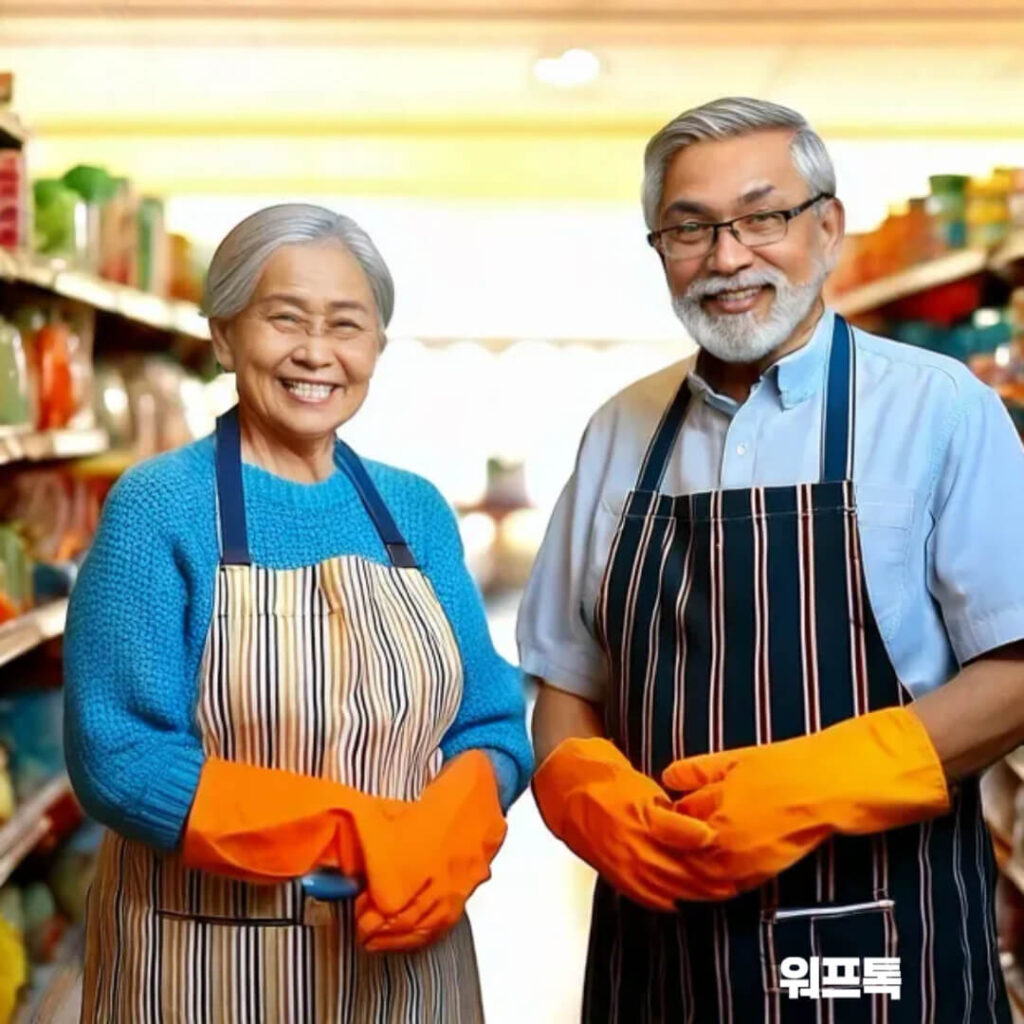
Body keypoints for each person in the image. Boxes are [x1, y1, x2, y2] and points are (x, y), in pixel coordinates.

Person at [519, 96, 1024, 1022]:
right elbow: (566, 678)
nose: (727, 257)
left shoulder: (940, 409)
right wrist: (579, 789)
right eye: (690, 228)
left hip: (880, 939)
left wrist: (816, 784)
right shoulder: (618, 429)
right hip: (658, 946)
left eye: (764, 216)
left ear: (827, 227)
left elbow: (1020, 670)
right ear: (658, 249)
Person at [65, 203, 533, 1022]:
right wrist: (354, 833)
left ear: (377, 348)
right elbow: (119, 753)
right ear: (223, 335)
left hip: (411, 960)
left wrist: (446, 836)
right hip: (202, 961)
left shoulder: (413, 510)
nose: (317, 353)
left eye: (347, 325)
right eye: (285, 319)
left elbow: (490, 720)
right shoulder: (159, 508)